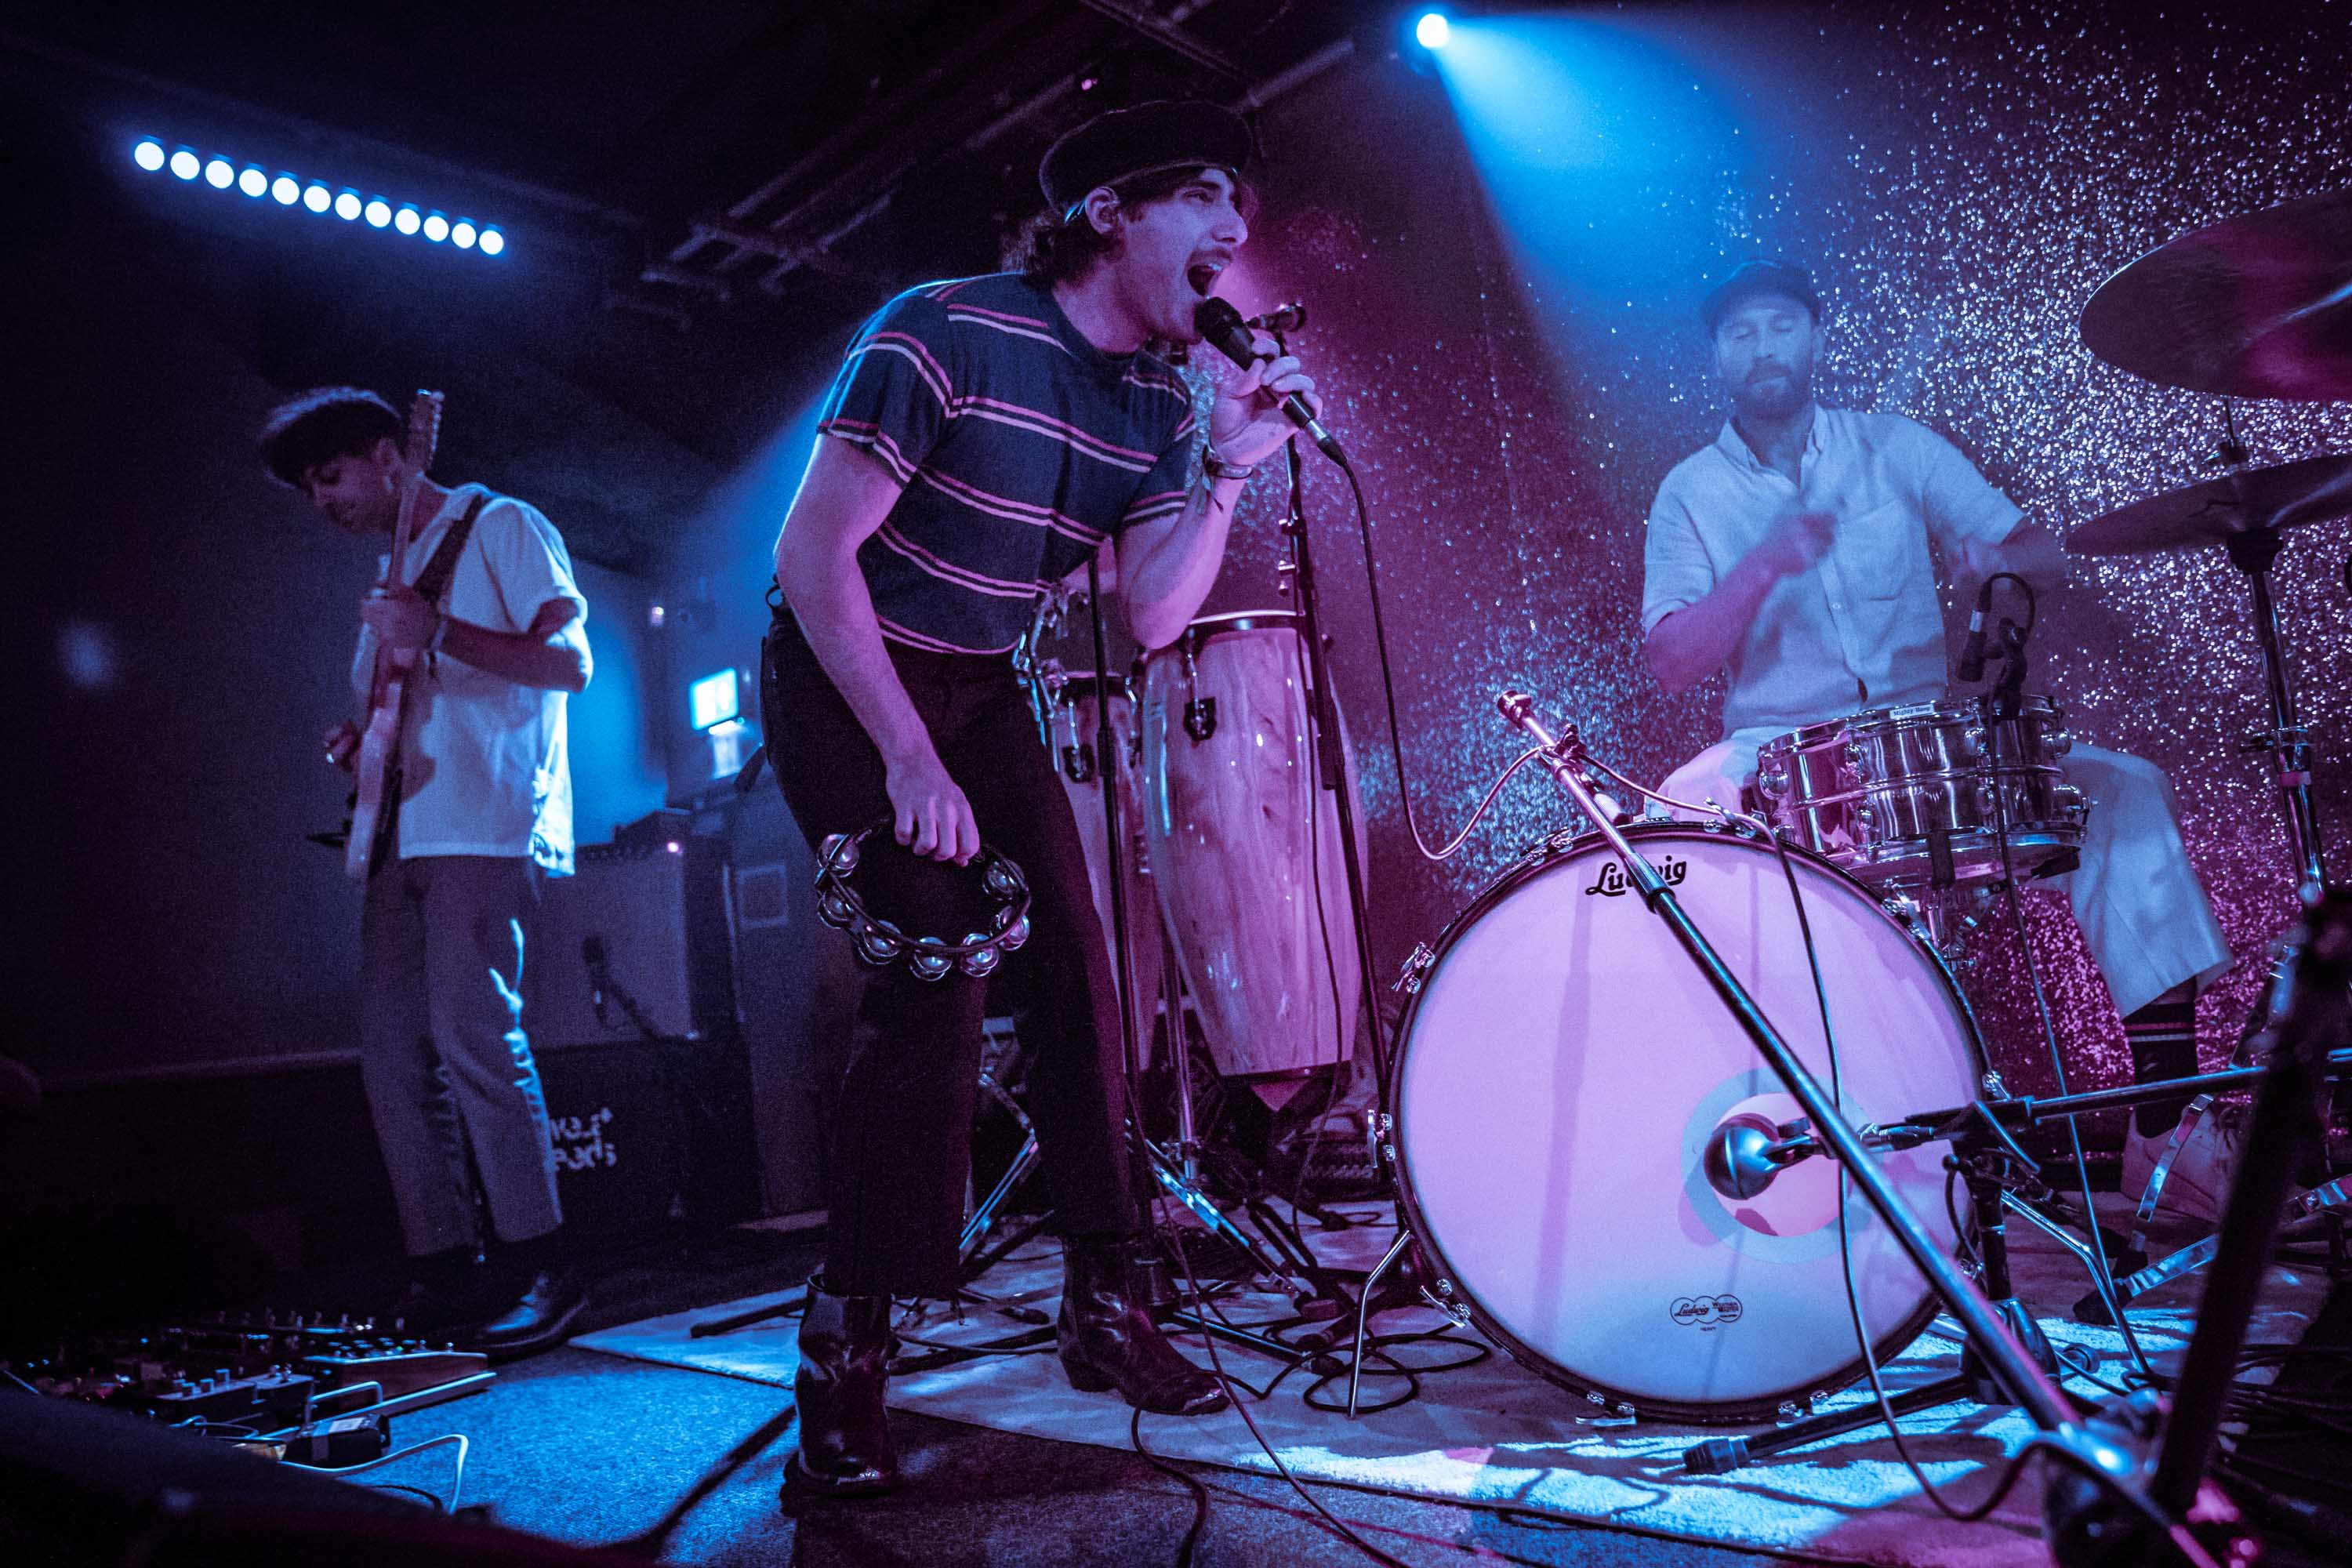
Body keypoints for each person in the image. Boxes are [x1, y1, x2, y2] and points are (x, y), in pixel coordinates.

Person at [760, 100, 1320, 1499]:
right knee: (935, 969)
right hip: (846, 670)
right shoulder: (944, 328)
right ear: (1107, 213)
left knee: (1080, 968)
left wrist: (1230, 467)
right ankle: (845, 1347)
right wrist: (907, 758)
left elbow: (1152, 614)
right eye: (1203, 194)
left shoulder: (1161, 401)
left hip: (983, 684)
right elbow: (813, 556)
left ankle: (1107, 1302)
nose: (1234, 227)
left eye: (1240, 206)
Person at [1641, 260, 2238, 1221]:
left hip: (1932, 742)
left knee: (2124, 789)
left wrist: (1996, 558)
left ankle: (2165, 1125)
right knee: (1677, 820)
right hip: (1782, 749)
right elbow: (1672, 660)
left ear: (1815, 337)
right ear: (1717, 356)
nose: (1763, 347)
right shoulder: (1689, 490)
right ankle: (1719, 1116)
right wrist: (1762, 564)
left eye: (1781, 324)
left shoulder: (1896, 446)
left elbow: (2042, 550)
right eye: (1740, 332)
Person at [262, 387, 592, 1355]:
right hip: (399, 832)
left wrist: (437, 629)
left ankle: (541, 1262)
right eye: (308, 488)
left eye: (330, 475)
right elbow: (403, 707)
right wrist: (361, 744)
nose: (323, 501)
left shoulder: (502, 525)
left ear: (388, 454)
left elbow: (570, 662)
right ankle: (446, 1264)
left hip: (483, 825)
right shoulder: (390, 576)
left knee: (473, 1034)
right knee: (394, 1057)